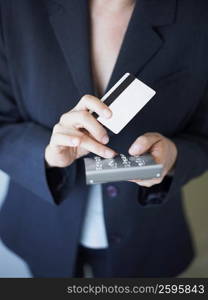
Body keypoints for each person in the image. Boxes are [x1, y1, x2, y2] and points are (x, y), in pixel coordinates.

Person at [0, 0, 208, 278]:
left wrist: (174, 157)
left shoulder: (199, 16)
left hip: (148, 237)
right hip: (40, 225)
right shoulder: (15, 9)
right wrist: (46, 154)